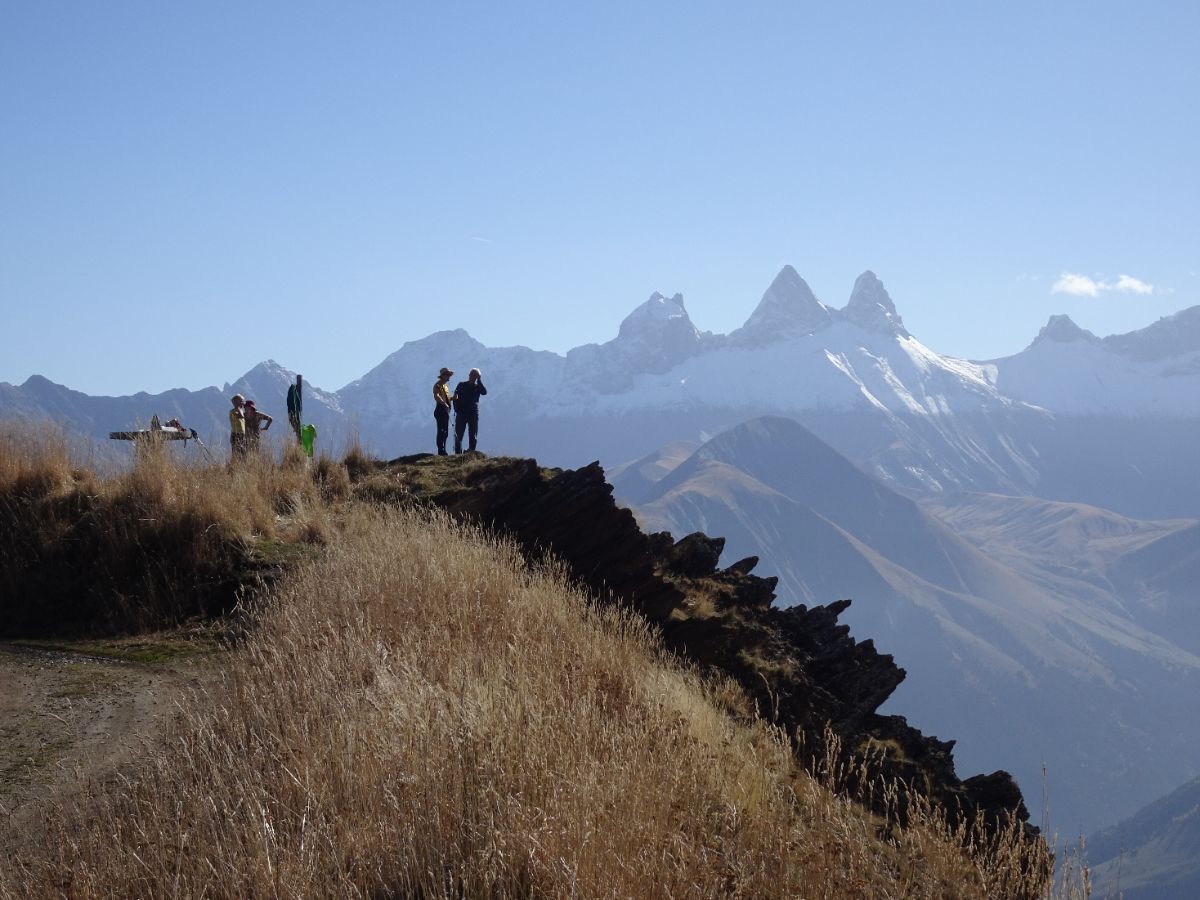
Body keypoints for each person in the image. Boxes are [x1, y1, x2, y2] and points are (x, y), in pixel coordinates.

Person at [452, 368, 488, 453]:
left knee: (473, 434)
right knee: (458, 434)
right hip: (462, 413)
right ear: (469, 375)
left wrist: (479, 380)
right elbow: (455, 397)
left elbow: (484, 392)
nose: (473, 377)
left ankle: (471, 451)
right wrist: (457, 409)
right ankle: (458, 452)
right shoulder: (461, 385)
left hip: (473, 414)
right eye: (472, 375)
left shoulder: (478, 387)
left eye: (476, 376)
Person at [433, 367, 454, 455]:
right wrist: (444, 404)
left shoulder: (445, 386)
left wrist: (453, 398)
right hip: (440, 410)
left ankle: (443, 450)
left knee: (445, 431)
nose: (449, 377)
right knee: (441, 430)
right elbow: (437, 396)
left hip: (445, 411)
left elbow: (447, 398)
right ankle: (441, 450)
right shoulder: (437, 385)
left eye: (449, 375)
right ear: (443, 376)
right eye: (447, 375)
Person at [229, 394, 248, 459]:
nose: (243, 403)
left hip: (242, 434)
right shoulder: (234, 411)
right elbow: (241, 416)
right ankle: (233, 467)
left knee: (243, 452)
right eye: (242, 401)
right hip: (236, 434)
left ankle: (241, 467)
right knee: (236, 453)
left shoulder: (240, 411)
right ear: (237, 402)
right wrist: (237, 407)